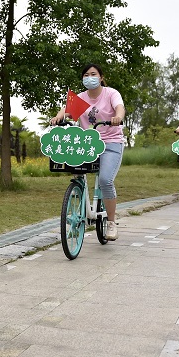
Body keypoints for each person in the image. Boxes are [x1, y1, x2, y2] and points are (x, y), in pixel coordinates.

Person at [50, 63, 125, 241]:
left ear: (101, 77)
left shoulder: (111, 93)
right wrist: (59, 116)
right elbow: (67, 110)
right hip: (88, 144)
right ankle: (79, 201)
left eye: (93, 74)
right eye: (85, 75)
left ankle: (111, 222)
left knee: (105, 180)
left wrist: (118, 117)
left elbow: (120, 108)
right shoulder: (81, 98)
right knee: (76, 171)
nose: (89, 78)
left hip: (111, 143)